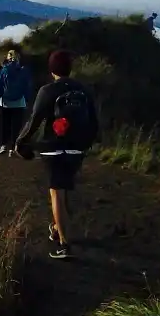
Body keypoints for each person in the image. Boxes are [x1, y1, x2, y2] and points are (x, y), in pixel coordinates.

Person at [15, 49, 99, 259]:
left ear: (51, 68)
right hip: (76, 150)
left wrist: (21, 142)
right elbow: (94, 123)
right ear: (70, 68)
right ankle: (56, 228)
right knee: (63, 191)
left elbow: (34, 121)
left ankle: (65, 244)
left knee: (57, 194)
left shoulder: (47, 91)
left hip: (53, 149)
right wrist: (85, 145)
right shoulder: (84, 90)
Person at [0, 49, 31, 156]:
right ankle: (13, 149)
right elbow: (27, 87)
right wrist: (27, 100)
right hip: (19, 102)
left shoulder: (3, 71)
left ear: (7, 59)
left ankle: (3, 146)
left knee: (5, 125)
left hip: (5, 102)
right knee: (16, 126)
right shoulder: (23, 71)